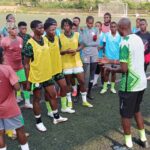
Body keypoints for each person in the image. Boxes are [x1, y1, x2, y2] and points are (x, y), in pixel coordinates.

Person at [100, 18, 149, 149]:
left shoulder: (124, 43)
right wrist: (111, 61)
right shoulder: (138, 38)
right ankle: (144, 140)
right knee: (137, 110)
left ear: (121, 28)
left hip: (130, 85)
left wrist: (110, 68)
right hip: (141, 82)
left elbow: (124, 69)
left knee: (125, 115)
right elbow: (130, 59)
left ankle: (127, 145)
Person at [24, 20, 68, 132]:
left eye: (43, 27)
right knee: (37, 99)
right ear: (33, 29)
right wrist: (28, 82)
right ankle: (38, 122)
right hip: (36, 77)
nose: (42, 29)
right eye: (39, 28)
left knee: (53, 95)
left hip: (47, 74)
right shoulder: (29, 44)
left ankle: (56, 117)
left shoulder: (45, 40)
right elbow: (26, 64)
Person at [44, 19, 75, 116]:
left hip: (58, 68)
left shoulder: (57, 38)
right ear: (46, 30)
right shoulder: (43, 40)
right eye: (51, 30)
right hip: (48, 70)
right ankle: (49, 110)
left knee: (64, 87)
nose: (53, 32)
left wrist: (66, 51)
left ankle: (64, 107)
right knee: (48, 92)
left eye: (55, 29)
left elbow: (59, 51)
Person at [0, 47, 30, 150]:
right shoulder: (7, 68)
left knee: (0, 134)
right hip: (10, 107)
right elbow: (17, 87)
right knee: (20, 130)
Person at [59, 18, 93, 108]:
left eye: (68, 25)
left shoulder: (77, 34)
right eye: (64, 25)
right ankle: (69, 102)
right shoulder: (60, 37)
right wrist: (65, 51)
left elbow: (83, 44)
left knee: (82, 81)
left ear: (70, 26)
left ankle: (84, 101)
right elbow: (58, 51)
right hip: (66, 63)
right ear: (62, 27)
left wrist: (76, 50)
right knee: (68, 83)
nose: (66, 27)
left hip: (77, 62)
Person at [1, 23, 33, 109]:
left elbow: (21, 53)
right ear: (8, 30)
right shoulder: (4, 41)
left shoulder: (20, 39)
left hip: (20, 66)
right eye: (12, 28)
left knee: (25, 83)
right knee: (12, 87)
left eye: (15, 28)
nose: (15, 30)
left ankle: (27, 102)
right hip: (10, 68)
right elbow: (1, 54)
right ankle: (13, 104)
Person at [100, 22, 121, 94]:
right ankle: (105, 88)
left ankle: (112, 87)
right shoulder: (106, 35)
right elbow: (104, 45)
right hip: (108, 58)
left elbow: (121, 47)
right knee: (106, 72)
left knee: (114, 73)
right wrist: (104, 55)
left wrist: (120, 57)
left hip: (116, 58)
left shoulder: (120, 36)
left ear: (117, 27)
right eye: (112, 27)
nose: (113, 28)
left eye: (114, 26)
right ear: (110, 27)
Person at [81, 16, 99, 100]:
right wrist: (91, 43)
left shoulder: (96, 30)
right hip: (85, 53)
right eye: (89, 23)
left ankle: (89, 92)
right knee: (83, 73)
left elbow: (97, 42)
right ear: (86, 22)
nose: (90, 25)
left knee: (92, 73)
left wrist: (88, 44)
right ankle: (80, 92)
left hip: (94, 54)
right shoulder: (82, 29)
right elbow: (82, 41)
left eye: (92, 23)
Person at [93, 21, 105, 87]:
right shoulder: (93, 34)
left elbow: (105, 45)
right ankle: (94, 81)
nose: (97, 27)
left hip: (101, 55)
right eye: (96, 25)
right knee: (95, 68)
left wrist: (101, 47)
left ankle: (104, 83)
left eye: (98, 25)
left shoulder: (104, 35)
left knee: (102, 69)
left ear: (101, 27)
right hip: (94, 55)